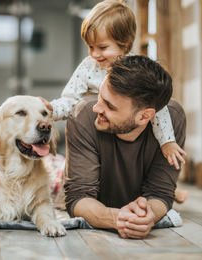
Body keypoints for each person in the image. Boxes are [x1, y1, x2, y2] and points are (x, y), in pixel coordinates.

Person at [40, 0, 188, 202]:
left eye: (102, 47)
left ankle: (170, 190)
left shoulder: (137, 72)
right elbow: (70, 100)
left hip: (130, 136)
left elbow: (157, 107)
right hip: (104, 135)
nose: (94, 53)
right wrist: (51, 109)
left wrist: (167, 141)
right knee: (61, 175)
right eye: (90, 47)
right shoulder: (88, 67)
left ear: (124, 44)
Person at [64, 55, 186, 239]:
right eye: (99, 96)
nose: (97, 108)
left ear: (145, 116)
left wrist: (147, 215)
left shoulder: (174, 119)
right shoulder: (83, 116)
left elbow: (160, 194)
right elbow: (77, 197)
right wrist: (116, 218)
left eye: (110, 107)